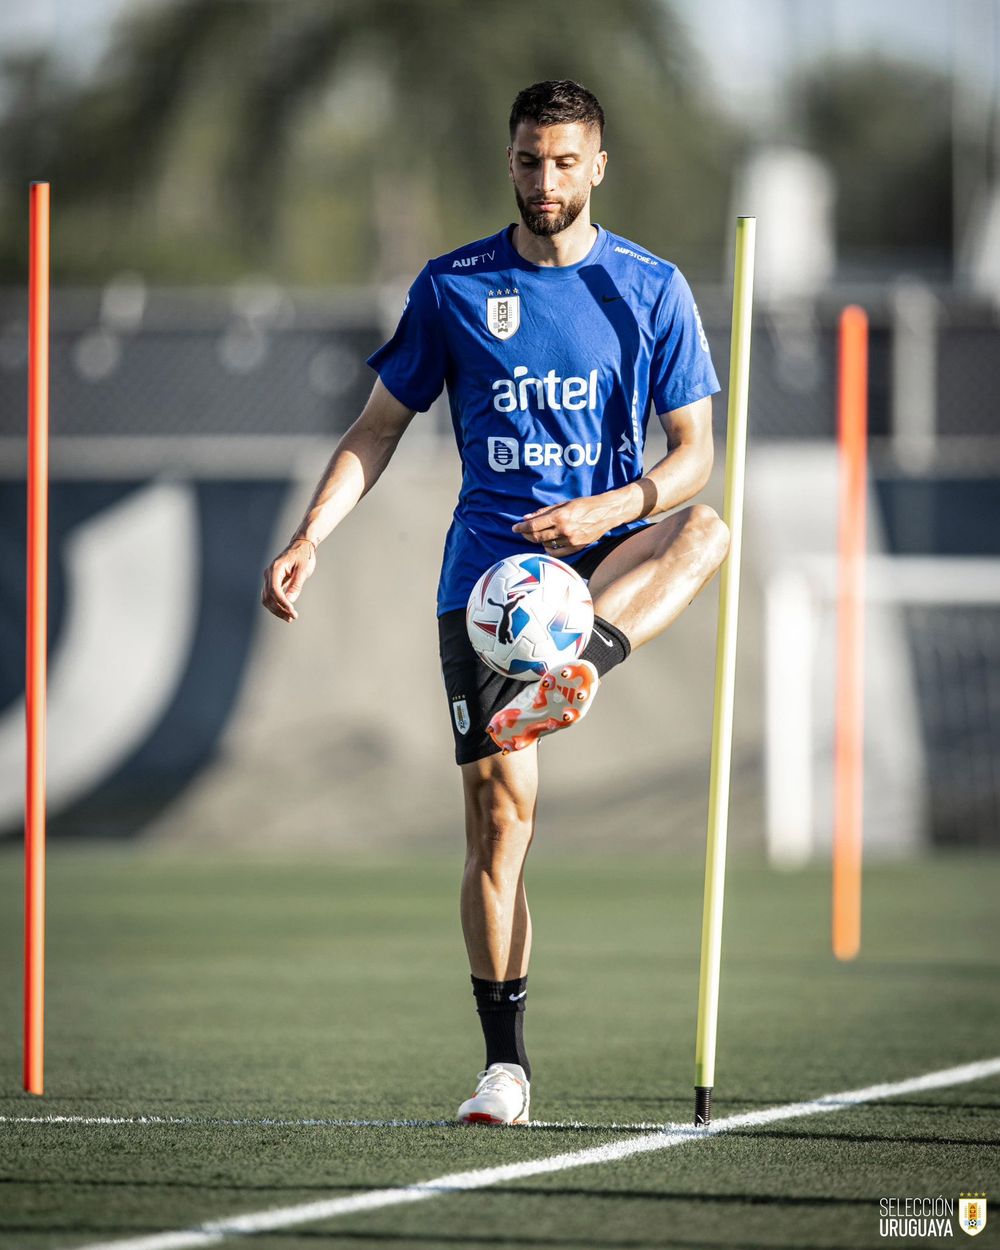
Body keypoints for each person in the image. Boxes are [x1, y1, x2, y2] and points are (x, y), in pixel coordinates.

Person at [261, 79, 729, 1127]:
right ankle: (504, 1069)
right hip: (490, 586)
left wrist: (610, 504)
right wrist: (309, 537)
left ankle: (581, 667)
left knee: (707, 529)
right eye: (528, 160)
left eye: (564, 161)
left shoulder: (651, 288)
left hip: (602, 558)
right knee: (500, 822)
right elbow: (378, 426)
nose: (545, 180)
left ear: (598, 165)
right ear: (508, 161)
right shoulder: (454, 286)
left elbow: (695, 455)